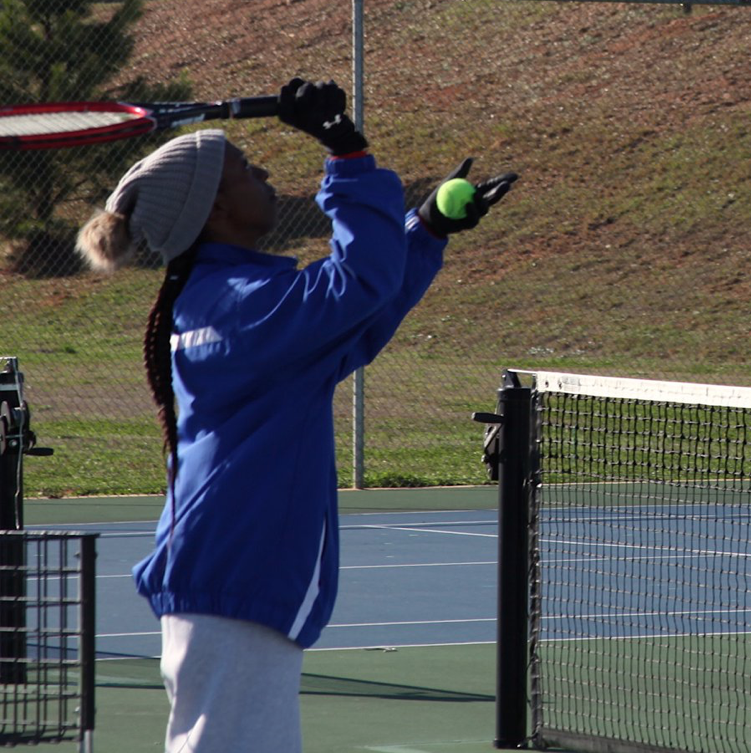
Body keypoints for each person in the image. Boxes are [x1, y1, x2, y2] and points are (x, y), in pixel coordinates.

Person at [75, 77, 517, 753]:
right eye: (247, 170)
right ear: (215, 207)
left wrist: (423, 231)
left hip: (230, 569)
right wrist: (344, 151)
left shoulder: (227, 299)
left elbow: (353, 314)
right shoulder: (236, 305)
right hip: (234, 570)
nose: (264, 174)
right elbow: (353, 286)